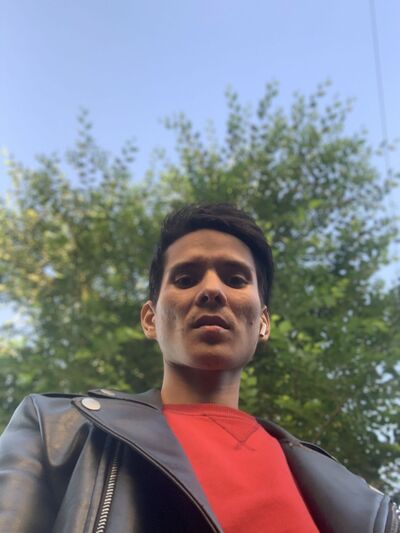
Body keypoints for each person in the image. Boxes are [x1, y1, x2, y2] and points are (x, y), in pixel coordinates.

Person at [0, 203, 398, 533]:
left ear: (263, 322)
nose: (211, 290)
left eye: (235, 279)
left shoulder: (359, 502)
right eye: (186, 278)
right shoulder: (55, 429)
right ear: (150, 319)